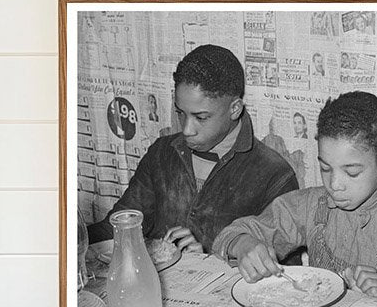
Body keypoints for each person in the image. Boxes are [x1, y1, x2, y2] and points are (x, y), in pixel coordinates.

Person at [212, 92, 377, 297]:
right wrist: (242, 244)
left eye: (352, 172)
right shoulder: (312, 205)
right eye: (325, 168)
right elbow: (230, 234)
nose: (334, 185)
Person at [88, 44, 298, 253]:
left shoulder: (274, 175)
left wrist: (208, 257)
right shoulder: (162, 152)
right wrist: (75, 235)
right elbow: (119, 227)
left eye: (201, 117)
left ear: (234, 109)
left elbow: (282, 268)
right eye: (181, 113)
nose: (187, 130)